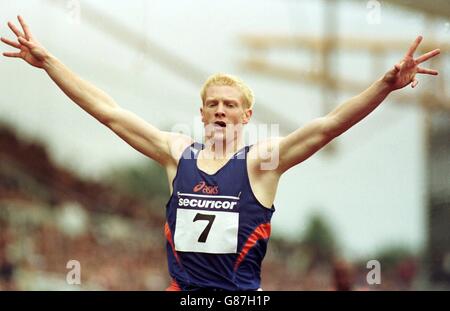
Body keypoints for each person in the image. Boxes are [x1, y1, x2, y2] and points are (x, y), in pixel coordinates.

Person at [1, 15, 440, 291]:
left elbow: (328, 126)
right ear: (201, 112)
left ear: (246, 116)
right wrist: (49, 63)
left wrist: (384, 84)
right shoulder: (177, 154)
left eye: (230, 104)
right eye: (212, 103)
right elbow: (109, 112)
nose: (220, 110)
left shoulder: (260, 163)